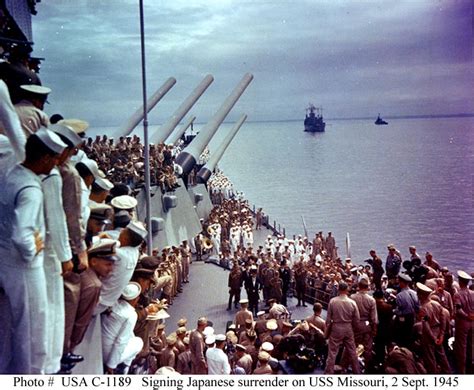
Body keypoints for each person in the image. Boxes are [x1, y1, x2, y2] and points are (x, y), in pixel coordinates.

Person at [0, 128, 66, 374]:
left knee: (10, 328)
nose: (56, 165)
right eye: (55, 159)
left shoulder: (10, 175)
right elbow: (22, 235)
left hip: (5, 262)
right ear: (46, 158)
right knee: (33, 331)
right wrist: (33, 251)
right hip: (25, 269)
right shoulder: (31, 188)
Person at [101, 282, 144, 374]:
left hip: (100, 347)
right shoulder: (131, 315)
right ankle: (124, 368)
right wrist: (111, 365)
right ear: (135, 299)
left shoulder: (112, 304)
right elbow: (121, 341)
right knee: (138, 342)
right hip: (108, 356)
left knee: (131, 335)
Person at [324, 282, 361, 374]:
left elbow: (328, 319)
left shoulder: (333, 301)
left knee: (332, 352)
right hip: (348, 327)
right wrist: (353, 328)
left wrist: (327, 330)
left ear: (339, 289)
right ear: (347, 289)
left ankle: (329, 372)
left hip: (336, 327)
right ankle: (357, 372)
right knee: (352, 351)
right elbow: (357, 319)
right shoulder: (352, 302)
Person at [453, 271, 473, 374]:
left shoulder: (457, 294)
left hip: (463, 323)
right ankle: (471, 368)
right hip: (472, 323)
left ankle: (462, 371)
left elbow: (459, 310)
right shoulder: (473, 293)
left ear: (460, 281)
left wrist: (466, 316)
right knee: (471, 346)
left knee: (462, 347)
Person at [393, 273, 419, 348]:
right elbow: (417, 307)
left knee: (402, 337)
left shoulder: (400, 295)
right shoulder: (414, 293)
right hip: (413, 318)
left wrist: (394, 311)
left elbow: (399, 310)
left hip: (404, 320)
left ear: (402, 283)